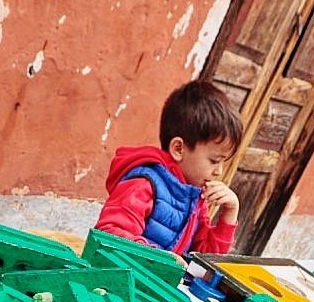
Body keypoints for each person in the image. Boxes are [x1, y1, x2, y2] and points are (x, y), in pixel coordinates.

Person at [94, 79, 242, 257]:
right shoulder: (144, 184)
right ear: (179, 149)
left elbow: (204, 259)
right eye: (214, 160)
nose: (219, 171)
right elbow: (109, 233)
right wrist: (162, 260)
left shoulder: (195, 197)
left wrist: (230, 213)